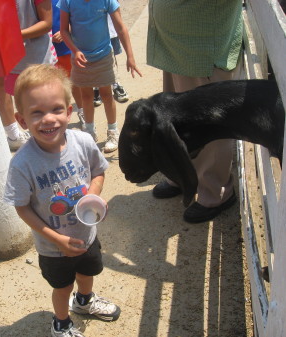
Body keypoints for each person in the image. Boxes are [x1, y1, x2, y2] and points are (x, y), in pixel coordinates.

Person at [3, 64, 120, 337]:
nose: (48, 119)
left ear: (69, 111)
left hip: (87, 233)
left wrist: (93, 194)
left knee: (88, 272)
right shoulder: (22, 164)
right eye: (37, 113)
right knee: (62, 286)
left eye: (56, 109)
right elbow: (21, 207)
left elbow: (98, 171)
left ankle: (85, 301)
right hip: (53, 248)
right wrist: (57, 240)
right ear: (22, 121)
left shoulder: (83, 141)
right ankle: (61, 323)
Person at [147, 0, 244, 223]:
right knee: (175, 117)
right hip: (174, 45)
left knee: (208, 125)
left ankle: (215, 193)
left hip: (202, 47)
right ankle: (182, 176)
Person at [59, 0, 142, 153]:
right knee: (86, 96)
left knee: (107, 94)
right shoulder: (67, 2)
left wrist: (130, 56)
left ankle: (113, 132)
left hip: (103, 56)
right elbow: (63, 30)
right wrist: (75, 50)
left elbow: (121, 28)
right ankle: (89, 132)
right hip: (80, 57)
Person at [0, 0, 54, 151]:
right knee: (22, 106)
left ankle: (51, 142)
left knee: (45, 104)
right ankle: (15, 136)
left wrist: (14, 35)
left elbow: (47, 23)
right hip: (7, 56)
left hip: (37, 57)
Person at [51, 0, 85, 130]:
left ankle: (82, 111)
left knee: (74, 83)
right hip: (47, 49)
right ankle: (59, 116)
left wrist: (66, 30)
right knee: (54, 87)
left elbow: (77, 17)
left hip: (66, 47)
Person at [93, 14, 130, 107]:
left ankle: (115, 83)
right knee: (94, 57)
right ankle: (96, 86)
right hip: (91, 29)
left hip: (109, 26)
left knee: (112, 56)